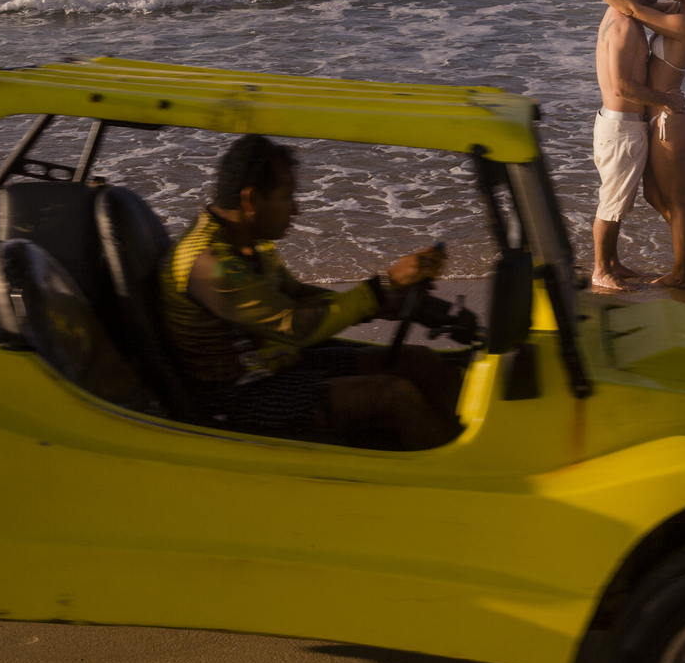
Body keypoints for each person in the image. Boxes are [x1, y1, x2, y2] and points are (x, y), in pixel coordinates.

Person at [159, 133, 464, 451]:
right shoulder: (210, 263)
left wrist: (384, 302)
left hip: (275, 363)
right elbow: (294, 325)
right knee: (393, 395)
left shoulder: (247, 240)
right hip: (236, 396)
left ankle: (468, 446)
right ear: (251, 200)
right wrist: (384, 286)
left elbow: (296, 295)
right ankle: (457, 474)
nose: (297, 209)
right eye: (287, 196)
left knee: (420, 362)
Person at [570, 0, 685, 288]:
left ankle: (682, 272)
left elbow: (633, 8)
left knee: (677, 201)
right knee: (654, 196)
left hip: (669, 120)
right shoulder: (674, 10)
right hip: (654, 116)